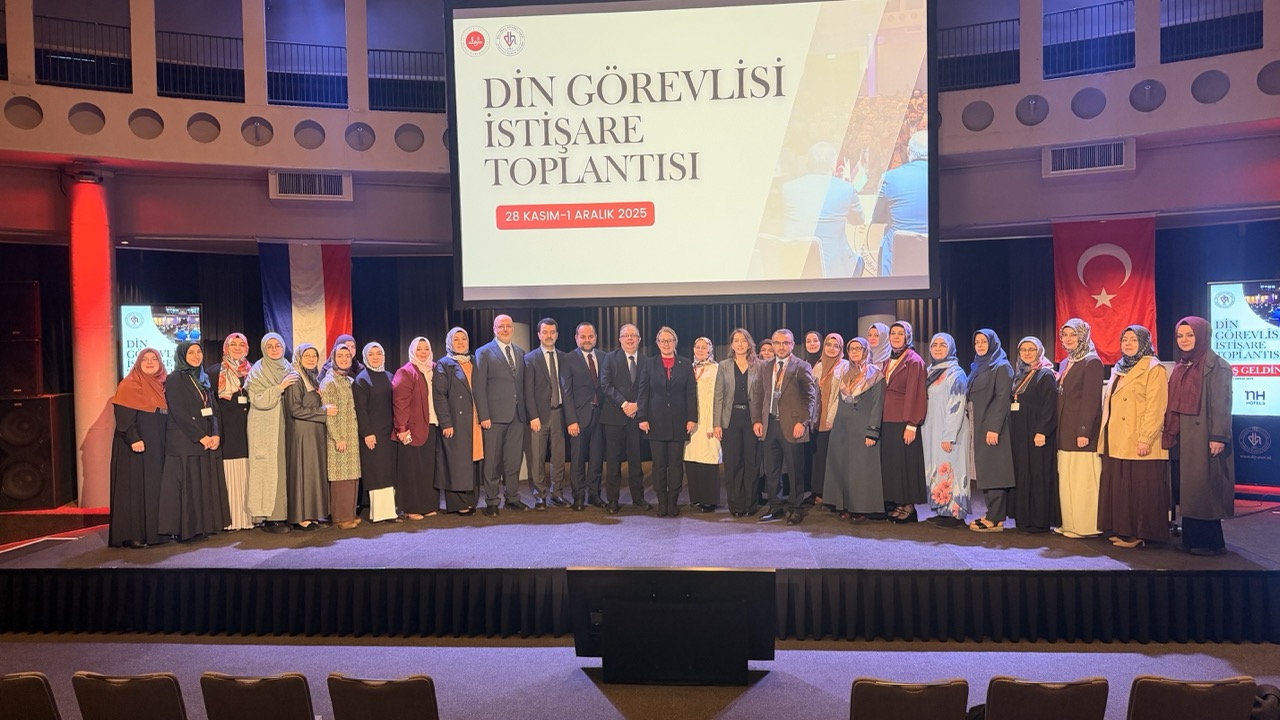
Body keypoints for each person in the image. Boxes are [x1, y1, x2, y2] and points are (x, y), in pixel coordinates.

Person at [1163, 316, 1234, 556]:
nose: (1184, 340)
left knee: (1204, 489)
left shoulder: (1217, 366)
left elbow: (1222, 404)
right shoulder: (1182, 365)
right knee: (1189, 490)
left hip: (1204, 435)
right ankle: (1191, 540)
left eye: (1190, 335)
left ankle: (1210, 543)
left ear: (1202, 336)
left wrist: (1218, 436)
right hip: (1183, 435)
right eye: (1180, 335)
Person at [1098, 325, 1170, 548]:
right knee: (1123, 486)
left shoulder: (1154, 368)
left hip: (1139, 438)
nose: (1128, 344)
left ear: (1144, 342)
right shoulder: (1120, 367)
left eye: (1133, 340)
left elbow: (1156, 406)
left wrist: (1146, 438)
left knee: (1140, 487)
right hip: (1118, 437)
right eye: (1125, 340)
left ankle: (1139, 534)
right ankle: (1124, 530)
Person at [157, 341, 231, 541]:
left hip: (206, 440)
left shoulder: (203, 378)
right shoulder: (174, 378)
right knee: (188, 487)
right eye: (191, 352)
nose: (196, 356)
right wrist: (201, 436)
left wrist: (216, 434)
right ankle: (186, 530)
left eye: (199, 352)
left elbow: (213, 409)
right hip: (185, 441)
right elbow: (179, 412)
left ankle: (202, 526)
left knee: (201, 486)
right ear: (182, 355)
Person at [751, 328, 818, 525]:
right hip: (769, 424)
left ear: (792, 345)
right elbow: (758, 395)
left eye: (785, 343)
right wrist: (757, 420)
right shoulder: (765, 366)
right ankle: (775, 506)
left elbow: (809, 397)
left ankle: (796, 508)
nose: (781, 347)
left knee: (795, 470)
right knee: (772, 470)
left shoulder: (801, 366)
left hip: (793, 425)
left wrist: (803, 422)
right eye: (777, 343)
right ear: (772, 344)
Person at [109, 348, 169, 548]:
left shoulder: (162, 385)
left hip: (156, 445)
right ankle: (133, 534)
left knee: (153, 488)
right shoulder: (129, 385)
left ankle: (155, 534)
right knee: (134, 489)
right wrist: (133, 438)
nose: (150, 362)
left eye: (154, 359)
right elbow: (123, 416)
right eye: (145, 359)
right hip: (134, 446)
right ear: (138, 363)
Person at [637, 326, 697, 517]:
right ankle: (662, 502)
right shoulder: (649, 364)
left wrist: (692, 418)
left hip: (679, 421)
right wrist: (642, 417)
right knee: (659, 465)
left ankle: (673, 502)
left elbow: (690, 393)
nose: (666, 344)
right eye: (662, 341)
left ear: (675, 342)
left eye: (669, 340)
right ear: (657, 343)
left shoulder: (685, 364)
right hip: (655, 421)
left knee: (676, 464)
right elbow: (643, 392)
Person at [472, 314, 529, 515]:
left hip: (517, 416)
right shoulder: (484, 352)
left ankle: (512, 498)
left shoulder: (520, 352)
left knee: (513, 461)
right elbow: (478, 387)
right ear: (494, 329)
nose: (505, 329)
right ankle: (492, 501)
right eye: (501, 326)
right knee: (492, 462)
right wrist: (484, 415)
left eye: (508, 326)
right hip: (494, 417)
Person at [781, 142, 865, 277]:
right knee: (859, 262)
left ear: (808, 163)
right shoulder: (845, 189)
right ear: (834, 163)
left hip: (793, 268)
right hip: (833, 270)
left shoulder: (788, 188)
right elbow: (859, 220)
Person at [823, 337, 885, 520]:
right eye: (852, 349)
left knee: (861, 468)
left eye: (859, 348)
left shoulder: (875, 374)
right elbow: (838, 401)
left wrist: (872, 431)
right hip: (842, 426)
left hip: (862, 427)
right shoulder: (843, 373)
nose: (855, 352)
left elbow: (877, 405)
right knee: (842, 465)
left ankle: (861, 508)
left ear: (866, 351)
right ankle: (844, 505)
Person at [1055, 318, 1105, 539]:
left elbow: (1091, 401)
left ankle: (1087, 526)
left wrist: (1084, 431)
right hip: (1065, 431)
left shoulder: (1091, 362)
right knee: (1067, 480)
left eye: (1073, 335)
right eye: (1065, 335)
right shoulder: (1067, 362)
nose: (1068, 339)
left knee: (1083, 481)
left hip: (1081, 433)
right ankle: (1070, 524)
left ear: (1083, 336)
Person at [245, 332, 297, 534]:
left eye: (278, 346)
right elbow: (258, 399)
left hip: (285, 424)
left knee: (284, 469)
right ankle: (270, 518)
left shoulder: (289, 368)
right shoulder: (257, 371)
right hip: (266, 426)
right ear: (263, 349)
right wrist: (279, 387)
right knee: (268, 470)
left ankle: (286, 513)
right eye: (270, 346)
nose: (274, 349)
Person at [1009, 336, 1059, 534]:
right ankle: (1024, 518)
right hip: (1021, 433)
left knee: (1038, 474)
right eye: (1023, 350)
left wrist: (1042, 431)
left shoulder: (1045, 374)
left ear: (1039, 351)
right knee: (1023, 473)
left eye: (1031, 349)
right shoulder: (1020, 374)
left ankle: (1039, 520)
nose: (1027, 353)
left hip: (1037, 433)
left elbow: (1049, 406)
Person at [967, 329, 1016, 533]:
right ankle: (992, 513)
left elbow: (1002, 399)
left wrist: (994, 428)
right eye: (976, 342)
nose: (979, 345)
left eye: (983, 342)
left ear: (993, 343)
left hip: (992, 427)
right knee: (985, 470)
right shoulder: (979, 366)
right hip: (978, 424)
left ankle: (996, 518)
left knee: (995, 470)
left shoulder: (1001, 366)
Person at [879, 321, 927, 523]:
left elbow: (916, 393)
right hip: (887, 420)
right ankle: (899, 503)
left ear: (908, 336)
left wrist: (912, 423)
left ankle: (909, 507)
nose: (896, 337)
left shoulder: (914, 361)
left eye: (900, 334)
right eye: (893, 333)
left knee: (905, 464)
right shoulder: (887, 361)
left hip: (903, 420)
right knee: (894, 465)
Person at [600, 323, 652, 510]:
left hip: (637, 418)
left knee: (636, 460)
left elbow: (649, 388)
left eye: (633, 335)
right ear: (619, 339)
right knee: (613, 461)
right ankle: (613, 500)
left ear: (639, 339)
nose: (630, 338)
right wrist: (624, 404)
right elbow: (605, 385)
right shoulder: (609, 358)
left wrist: (637, 405)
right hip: (614, 418)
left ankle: (638, 498)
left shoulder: (647, 361)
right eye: (626, 335)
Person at [922, 333, 970, 527]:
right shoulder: (929, 371)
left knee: (951, 467)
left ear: (950, 348)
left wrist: (949, 435)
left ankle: (955, 514)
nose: (938, 348)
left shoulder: (955, 373)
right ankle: (942, 510)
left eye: (943, 345)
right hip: (931, 428)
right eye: (935, 345)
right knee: (936, 468)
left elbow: (957, 405)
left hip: (950, 430)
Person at [284, 342, 332, 530]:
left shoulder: (312, 377)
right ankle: (300, 516)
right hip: (301, 433)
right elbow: (294, 409)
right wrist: (323, 411)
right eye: (307, 356)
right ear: (299, 357)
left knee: (313, 473)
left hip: (314, 431)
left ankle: (311, 514)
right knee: (302, 473)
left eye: (314, 356)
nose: (311, 359)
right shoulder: (295, 377)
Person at [392, 337, 442, 520]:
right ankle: (411, 508)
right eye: (419, 349)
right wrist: (402, 429)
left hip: (433, 426)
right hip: (411, 430)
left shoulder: (435, 369)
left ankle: (428, 505)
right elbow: (400, 403)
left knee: (429, 469)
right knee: (412, 470)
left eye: (426, 348)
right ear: (413, 351)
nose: (423, 352)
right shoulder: (406, 372)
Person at [433, 328, 480, 516]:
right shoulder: (444, 364)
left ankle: (470, 500)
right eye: (456, 339)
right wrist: (446, 422)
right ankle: (457, 503)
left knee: (471, 459)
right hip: (455, 420)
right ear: (450, 342)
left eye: (463, 339)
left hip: (474, 418)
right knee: (457, 461)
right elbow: (439, 396)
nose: (461, 343)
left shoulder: (473, 361)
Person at [561, 322, 607, 511]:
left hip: (600, 416)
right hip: (579, 418)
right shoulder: (568, 359)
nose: (587, 340)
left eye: (590, 336)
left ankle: (594, 494)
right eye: (583, 337)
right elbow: (566, 392)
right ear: (576, 338)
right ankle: (578, 496)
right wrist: (571, 420)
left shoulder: (604, 357)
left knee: (597, 458)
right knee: (578, 459)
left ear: (595, 337)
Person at [523, 318, 568, 510]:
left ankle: (557, 494)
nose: (549, 336)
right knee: (537, 457)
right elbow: (528, 391)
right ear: (539, 335)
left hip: (559, 413)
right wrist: (533, 416)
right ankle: (540, 495)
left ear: (557, 335)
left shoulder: (565, 357)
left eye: (552, 332)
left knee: (558, 457)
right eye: (545, 332)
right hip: (539, 416)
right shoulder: (530, 358)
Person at [209, 333, 253, 531]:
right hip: (226, 433)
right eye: (233, 344)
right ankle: (231, 520)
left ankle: (250, 519)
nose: (237, 348)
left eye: (241, 345)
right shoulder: (214, 373)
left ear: (247, 348)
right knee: (230, 475)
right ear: (225, 348)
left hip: (249, 432)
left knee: (248, 474)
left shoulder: (254, 371)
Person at [353, 342, 399, 523]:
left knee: (389, 472)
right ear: (365, 357)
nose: (375, 357)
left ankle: (390, 512)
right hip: (373, 434)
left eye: (378, 353)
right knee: (377, 473)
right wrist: (367, 433)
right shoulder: (362, 380)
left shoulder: (389, 376)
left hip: (390, 434)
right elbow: (361, 410)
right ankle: (379, 514)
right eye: (371, 354)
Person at [717, 328, 760, 517]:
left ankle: (751, 504)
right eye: (736, 340)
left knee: (752, 462)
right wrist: (716, 424)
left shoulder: (760, 365)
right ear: (732, 345)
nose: (740, 344)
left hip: (752, 419)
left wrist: (760, 420)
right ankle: (736, 505)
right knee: (733, 463)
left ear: (749, 344)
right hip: (731, 418)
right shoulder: (724, 366)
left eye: (744, 340)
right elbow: (718, 396)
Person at [872, 130, 928, 276]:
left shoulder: (889, 177)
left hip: (895, 262)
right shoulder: (944, 177)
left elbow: (877, 217)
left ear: (908, 151)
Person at [320, 342, 362, 529]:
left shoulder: (348, 380)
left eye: (347, 356)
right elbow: (329, 414)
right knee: (341, 479)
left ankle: (349, 514)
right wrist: (338, 438)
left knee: (352, 477)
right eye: (340, 356)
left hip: (351, 435)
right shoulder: (329, 381)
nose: (344, 359)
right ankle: (341, 518)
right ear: (333, 359)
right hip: (339, 437)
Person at [686, 337, 726, 512]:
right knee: (692, 459)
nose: (700, 350)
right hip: (691, 421)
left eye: (704, 347)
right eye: (697, 347)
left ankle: (709, 500)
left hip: (708, 421)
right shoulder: (689, 368)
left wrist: (713, 424)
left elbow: (717, 399)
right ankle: (696, 497)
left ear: (710, 350)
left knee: (708, 460)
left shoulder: (716, 369)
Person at [809, 333, 846, 508]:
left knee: (833, 458)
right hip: (817, 419)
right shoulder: (818, 366)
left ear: (841, 348)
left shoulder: (844, 366)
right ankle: (818, 492)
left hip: (834, 420)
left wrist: (831, 417)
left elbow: (841, 396)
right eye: (828, 345)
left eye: (836, 346)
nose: (832, 348)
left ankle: (832, 495)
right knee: (819, 456)